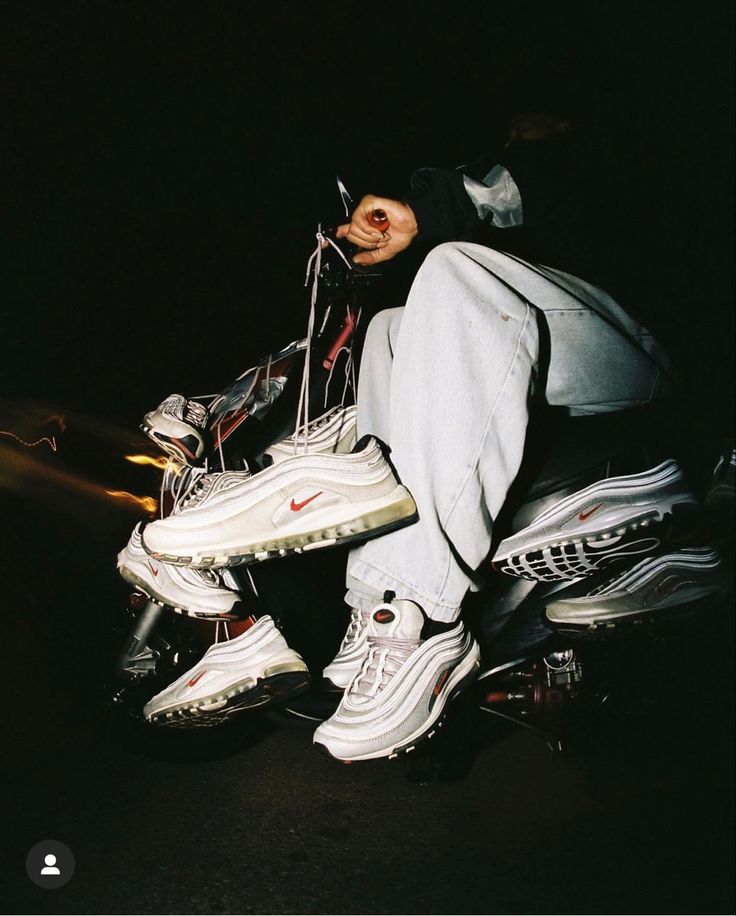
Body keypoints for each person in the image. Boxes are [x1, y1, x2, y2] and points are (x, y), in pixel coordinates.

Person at [123, 110, 693, 760]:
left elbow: (558, 186)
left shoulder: (617, 143)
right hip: (556, 355)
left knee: (454, 274)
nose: (521, 126)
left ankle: (420, 617)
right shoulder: (512, 180)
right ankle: (377, 604)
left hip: (639, 344)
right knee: (391, 329)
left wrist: (434, 206)